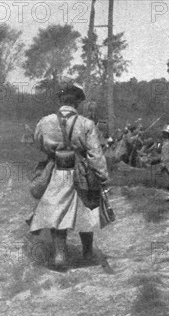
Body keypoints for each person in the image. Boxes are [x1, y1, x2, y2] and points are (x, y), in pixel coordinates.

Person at [27, 83, 109, 270]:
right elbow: (95, 154)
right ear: (78, 102)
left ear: (60, 101)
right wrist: (103, 177)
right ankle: (87, 252)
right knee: (86, 209)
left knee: (57, 211)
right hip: (82, 172)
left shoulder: (45, 121)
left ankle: (59, 255)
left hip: (56, 170)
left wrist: (54, 149)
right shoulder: (86, 123)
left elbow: (38, 143)